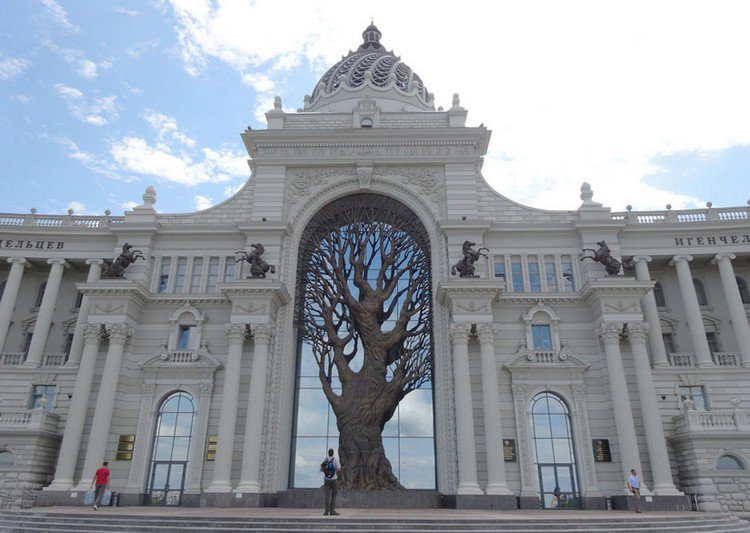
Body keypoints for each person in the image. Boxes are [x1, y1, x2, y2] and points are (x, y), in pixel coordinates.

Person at [320, 448, 341, 516]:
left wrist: (326, 470)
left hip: (326, 480)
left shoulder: (325, 460)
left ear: (328, 453)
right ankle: (332, 510)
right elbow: (339, 469)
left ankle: (326, 510)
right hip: (334, 479)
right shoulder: (335, 460)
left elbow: (321, 469)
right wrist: (333, 470)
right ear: (333, 453)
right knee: (334, 495)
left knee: (327, 495)